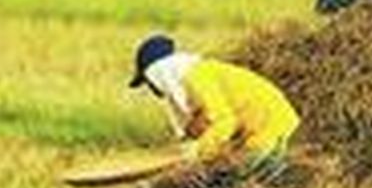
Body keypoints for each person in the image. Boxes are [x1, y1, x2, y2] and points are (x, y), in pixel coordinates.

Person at [128, 34, 300, 175]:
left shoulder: (197, 77)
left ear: (158, 74)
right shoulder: (195, 79)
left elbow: (225, 121)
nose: (151, 88)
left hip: (272, 132)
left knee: (228, 181)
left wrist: (199, 152)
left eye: (148, 81)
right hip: (261, 133)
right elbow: (205, 121)